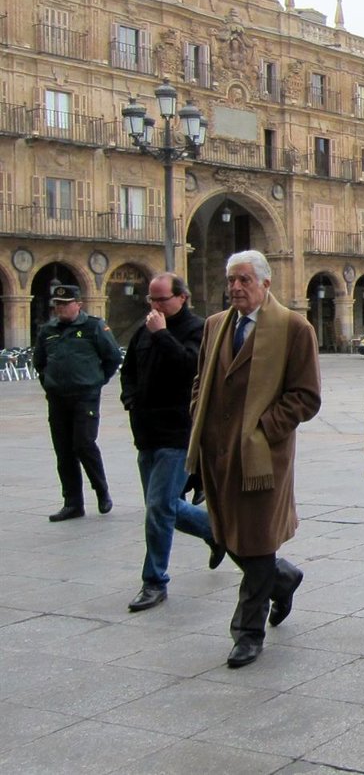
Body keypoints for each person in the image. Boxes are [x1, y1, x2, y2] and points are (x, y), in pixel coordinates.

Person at [187, 251, 321, 669]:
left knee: (259, 541)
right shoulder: (215, 326)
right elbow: (200, 380)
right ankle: (283, 579)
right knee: (227, 535)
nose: (236, 288)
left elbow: (306, 396)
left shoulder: (294, 328)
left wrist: (264, 429)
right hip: (218, 453)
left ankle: (247, 632)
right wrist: (198, 415)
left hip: (264, 458)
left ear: (265, 283)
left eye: (244, 280)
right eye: (231, 280)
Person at [121, 273, 222, 613]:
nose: (155, 306)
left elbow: (189, 367)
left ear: (182, 297)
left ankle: (154, 581)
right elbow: (129, 369)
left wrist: (162, 335)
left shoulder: (197, 329)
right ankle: (216, 530)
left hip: (177, 433)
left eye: (162, 299)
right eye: (151, 299)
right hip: (146, 432)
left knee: (159, 507)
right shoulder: (144, 330)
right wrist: (130, 398)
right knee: (163, 507)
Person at [33, 283, 122, 522]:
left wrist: (96, 381)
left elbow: (112, 357)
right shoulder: (47, 330)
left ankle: (101, 491)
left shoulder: (93, 326)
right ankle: (73, 503)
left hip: (85, 396)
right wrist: (49, 382)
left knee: (83, 443)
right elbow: (39, 361)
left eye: (65, 303)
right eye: (57, 304)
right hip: (57, 398)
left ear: (78, 304)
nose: (60, 308)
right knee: (63, 450)